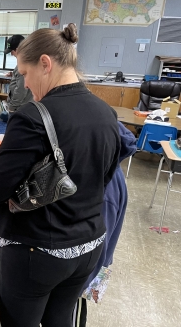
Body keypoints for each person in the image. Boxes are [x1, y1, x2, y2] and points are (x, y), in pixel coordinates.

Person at [0, 23, 121, 327]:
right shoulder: (106, 113)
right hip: (88, 247)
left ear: (45, 64)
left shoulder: (32, 117)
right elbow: (104, 179)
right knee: (60, 320)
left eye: (25, 73)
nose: (25, 84)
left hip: (38, 251)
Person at [73, 121, 137, 327]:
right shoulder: (108, 169)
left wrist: (78, 283)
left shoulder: (105, 189)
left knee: (73, 314)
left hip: (84, 275)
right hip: (89, 266)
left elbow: (100, 242)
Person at [0, 34, 33, 122]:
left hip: (20, 108)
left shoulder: (23, 64)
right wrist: (13, 74)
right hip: (26, 106)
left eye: (12, 51)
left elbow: (21, 89)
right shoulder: (30, 61)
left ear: (18, 50)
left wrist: (12, 107)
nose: (11, 54)